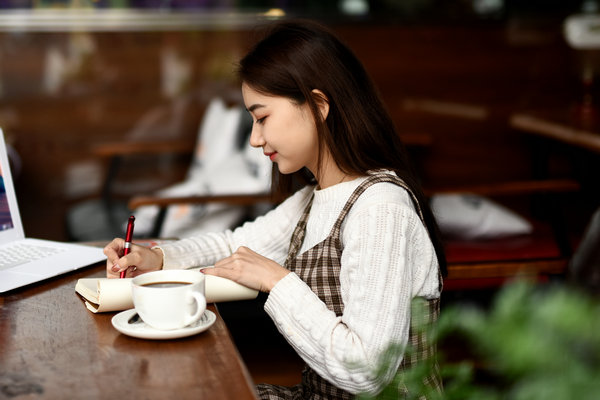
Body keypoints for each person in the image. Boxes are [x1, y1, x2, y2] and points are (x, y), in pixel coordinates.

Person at [104, 19, 446, 399]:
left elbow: (367, 370)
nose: (254, 138)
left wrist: (277, 281)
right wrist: (156, 257)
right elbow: (237, 245)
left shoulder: (380, 210)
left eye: (262, 117)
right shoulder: (315, 198)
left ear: (318, 105)